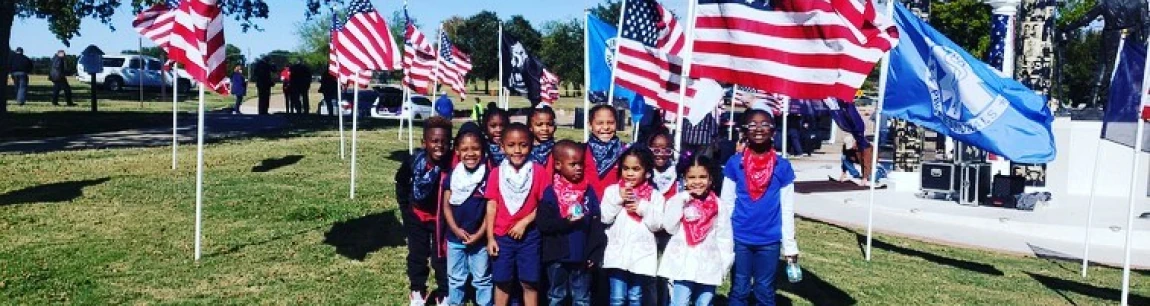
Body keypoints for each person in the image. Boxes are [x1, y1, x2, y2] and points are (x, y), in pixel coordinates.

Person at [721, 109, 798, 306]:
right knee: (739, 288)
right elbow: (727, 203)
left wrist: (790, 245)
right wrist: (723, 236)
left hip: (769, 240)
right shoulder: (734, 163)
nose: (758, 129)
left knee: (764, 290)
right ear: (744, 131)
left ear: (773, 131)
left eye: (764, 124)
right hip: (740, 237)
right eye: (753, 125)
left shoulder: (783, 167)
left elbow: (787, 208)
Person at [484, 123, 549, 306]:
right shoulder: (496, 174)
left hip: (529, 237)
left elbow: (544, 205)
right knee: (502, 282)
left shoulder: (538, 172)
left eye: (523, 145)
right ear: (502, 147)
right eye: (511, 145)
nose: (518, 150)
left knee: (529, 282)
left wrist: (525, 222)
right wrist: (490, 237)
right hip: (501, 237)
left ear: (531, 145)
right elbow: (491, 206)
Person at [659, 154, 733, 306]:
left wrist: (723, 266)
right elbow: (670, 227)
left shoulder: (719, 205)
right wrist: (681, 201)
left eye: (702, 177)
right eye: (692, 177)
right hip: (683, 264)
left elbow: (725, 237)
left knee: (704, 302)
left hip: (709, 264)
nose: (697, 182)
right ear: (684, 179)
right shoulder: (679, 200)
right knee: (679, 302)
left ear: (711, 179)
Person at [537, 140, 604, 306]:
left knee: (581, 297)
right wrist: (566, 222)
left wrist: (594, 253)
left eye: (581, 164)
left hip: (582, 256)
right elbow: (544, 224)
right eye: (573, 164)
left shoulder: (588, 192)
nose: (578, 168)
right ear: (558, 165)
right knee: (556, 296)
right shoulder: (551, 193)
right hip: (557, 256)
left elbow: (596, 223)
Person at [396, 117, 454, 306]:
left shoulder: (453, 164)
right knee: (417, 255)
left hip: (441, 219)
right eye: (434, 141)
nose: (439, 146)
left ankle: (444, 293)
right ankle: (417, 291)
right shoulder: (414, 162)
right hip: (417, 216)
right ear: (424, 143)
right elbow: (401, 183)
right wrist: (406, 210)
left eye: (444, 141)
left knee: (441, 257)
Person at [600, 146, 665, 306]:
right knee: (617, 297)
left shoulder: (655, 196)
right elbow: (605, 217)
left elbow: (658, 224)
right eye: (626, 168)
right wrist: (618, 199)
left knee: (635, 296)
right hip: (617, 254)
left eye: (636, 169)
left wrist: (641, 207)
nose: (630, 173)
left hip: (641, 255)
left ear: (647, 171)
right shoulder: (612, 191)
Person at [442, 123, 494, 306]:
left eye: (475, 148)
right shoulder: (453, 176)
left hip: (479, 241)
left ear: (483, 150)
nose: (470, 153)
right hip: (455, 240)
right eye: (464, 149)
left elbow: (490, 210)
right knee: (456, 278)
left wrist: (480, 234)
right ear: (457, 150)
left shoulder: (488, 176)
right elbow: (446, 205)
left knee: (482, 279)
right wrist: (455, 229)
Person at [645, 131, 677, 306]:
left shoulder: (677, 174)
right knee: (649, 273)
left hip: (670, 231)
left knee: (669, 272)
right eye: (656, 149)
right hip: (649, 229)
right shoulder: (644, 173)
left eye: (666, 150)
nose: (661, 154)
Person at [585, 104, 625, 199]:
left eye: (610, 123)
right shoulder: (581, 151)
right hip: (587, 206)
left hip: (615, 205)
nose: (606, 127)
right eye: (600, 123)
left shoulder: (625, 152)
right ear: (590, 125)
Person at [528, 106, 557, 175]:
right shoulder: (525, 148)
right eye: (539, 125)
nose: (545, 129)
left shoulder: (557, 150)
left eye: (549, 124)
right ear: (530, 127)